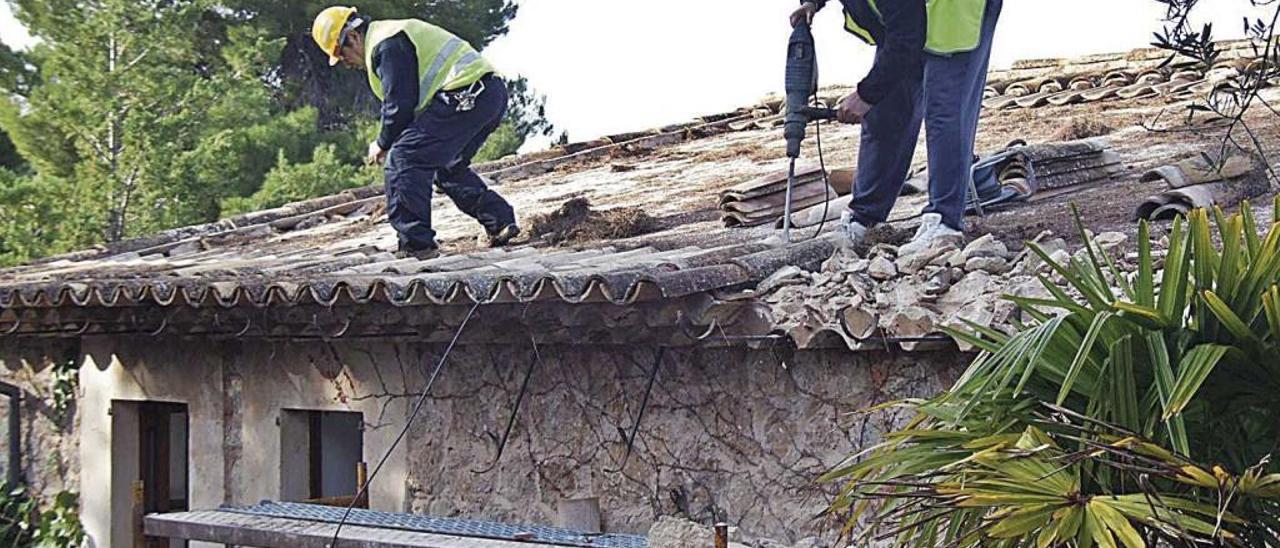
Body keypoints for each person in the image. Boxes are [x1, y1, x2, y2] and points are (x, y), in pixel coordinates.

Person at [790, 0, 1003, 256]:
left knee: (944, 113)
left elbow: (906, 39)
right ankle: (866, 217)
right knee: (885, 112)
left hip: (954, 13)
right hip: (912, 15)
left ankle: (944, 223)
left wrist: (866, 95)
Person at [311, 6, 520, 260]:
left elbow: (400, 104)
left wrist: (382, 142)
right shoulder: (389, 39)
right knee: (446, 167)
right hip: (487, 95)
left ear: (353, 36)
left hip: (465, 94)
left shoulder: (386, 43)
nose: (344, 63)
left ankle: (416, 246)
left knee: (403, 159)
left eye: (340, 53)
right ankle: (500, 222)